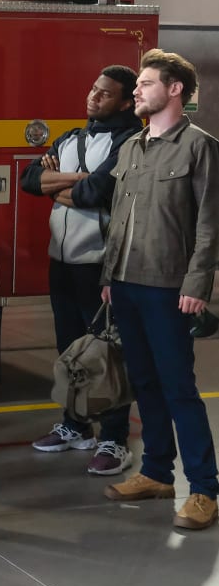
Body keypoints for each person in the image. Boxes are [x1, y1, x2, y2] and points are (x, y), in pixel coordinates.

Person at [101, 49, 219, 530]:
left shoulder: (199, 147)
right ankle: (156, 472)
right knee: (144, 382)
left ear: (174, 90)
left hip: (170, 287)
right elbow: (119, 220)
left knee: (178, 387)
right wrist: (109, 277)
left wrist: (197, 283)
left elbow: (209, 223)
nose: (137, 91)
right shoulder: (132, 146)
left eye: (146, 83)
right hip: (126, 283)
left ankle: (205, 489)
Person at [21, 66, 142, 475]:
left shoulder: (128, 143)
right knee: (70, 349)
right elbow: (29, 180)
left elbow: (95, 192)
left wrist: (56, 185)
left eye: (105, 93)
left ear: (125, 102)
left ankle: (114, 438)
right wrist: (74, 180)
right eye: (94, 89)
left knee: (107, 354)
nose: (94, 96)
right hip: (62, 262)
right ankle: (76, 425)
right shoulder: (70, 138)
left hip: (100, 266)